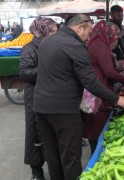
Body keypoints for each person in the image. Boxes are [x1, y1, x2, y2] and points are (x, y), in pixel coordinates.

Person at [33, 14, 124, 180]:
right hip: (64, 110)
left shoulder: (47, 41)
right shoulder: (75, 45)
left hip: (41, 107)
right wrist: (117, 99)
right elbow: (90, 82)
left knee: (53, 155)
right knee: (71, 157)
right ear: (80, 27)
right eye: (89, 31)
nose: (89, 36)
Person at [83, 20, 124, 154]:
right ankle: (96, 154)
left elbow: (104, 64)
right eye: (115, 38)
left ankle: (94, 149)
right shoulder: (101, 46)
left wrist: (121, 63)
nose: (116, 42)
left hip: (94, 89)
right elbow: (109, 72)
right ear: (108, 34)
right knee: (97, 126)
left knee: (93, 125)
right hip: (98, 92)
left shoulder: (95, 42)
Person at [20, 16, 57, 180]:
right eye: (52, 31)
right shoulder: (28, 49)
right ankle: (36, 171)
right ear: (42, 31)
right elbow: (25, 73)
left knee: (49, 131)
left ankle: (54, 164)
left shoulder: (52, 46)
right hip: (34, 95)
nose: (55, 34)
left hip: (51, 94)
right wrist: (47, 69)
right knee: (34, 132)